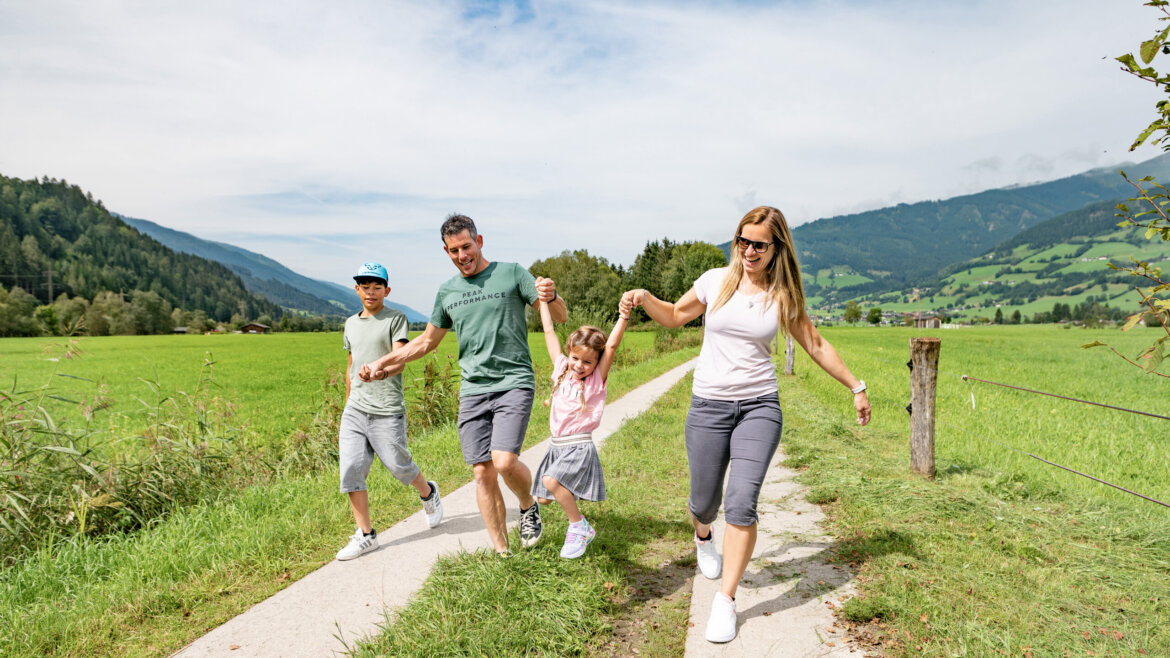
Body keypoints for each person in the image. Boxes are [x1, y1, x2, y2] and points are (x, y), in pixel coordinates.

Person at [620, 206, 870, 643]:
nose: (748, 250)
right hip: (708, 406)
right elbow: (676, 315)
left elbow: (813, 342)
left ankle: (725, 601)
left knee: (741, 502)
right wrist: (644, 298)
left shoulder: (782, 295)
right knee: (704, 502)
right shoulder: (716, 280)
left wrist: (856, 385)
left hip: (759, 406)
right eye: (742, 240)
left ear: (777, 249)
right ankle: (702, 536)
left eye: (759, 244)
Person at [359, 214, 567, 556]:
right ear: (447, 251)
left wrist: (553, 295)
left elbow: (559, 316)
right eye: (454, 250)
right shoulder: (447, 292)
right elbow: (426, 342)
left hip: (513, 382)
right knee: (482, 471)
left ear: (480, 241)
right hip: (473, 390)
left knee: (502, 461)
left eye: (467, 246)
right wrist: (382, 363)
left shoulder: (512, 272)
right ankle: (503, 554)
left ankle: (528, 504)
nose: (462, 255)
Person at [336, 262, 444, 561]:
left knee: (399, 465)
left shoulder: (395, 318)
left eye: (377, 287)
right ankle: (366, 535)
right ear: (357, 290)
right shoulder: (350, 323)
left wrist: (381, 373)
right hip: (355, 408)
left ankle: (428, 493)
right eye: (365, 287)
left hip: (386, 408)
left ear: (387, 290)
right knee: (351, 468)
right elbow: (351, 365)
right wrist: (348, 401)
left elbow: (400, 358)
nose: (371, 292)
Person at [531, 299, 628, 559]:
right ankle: (569, 489)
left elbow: (613, 345)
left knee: (550, 481)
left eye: (587, 362)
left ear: (596, 364)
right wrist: (542, 303)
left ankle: (579, 526)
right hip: (557, 446)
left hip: (579, 445)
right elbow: (549, 332)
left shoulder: (596, 380)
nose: (579, 365)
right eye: (575, 358)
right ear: (568, 354)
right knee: (544, 498)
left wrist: (624, 315)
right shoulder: (561, 367)